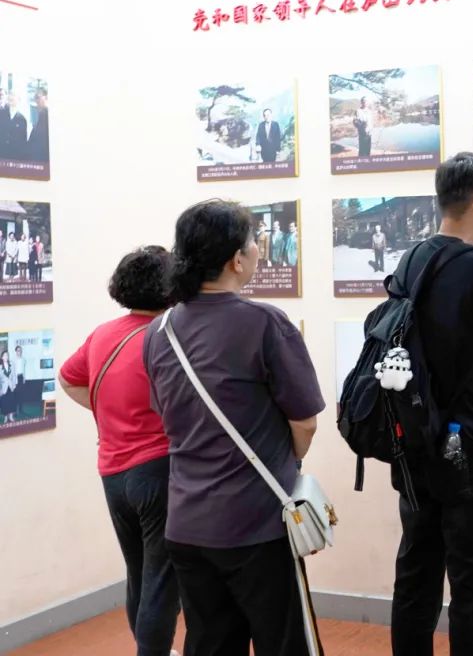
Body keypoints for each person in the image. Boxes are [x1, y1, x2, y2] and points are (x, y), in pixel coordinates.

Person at [142, 200, 326, 655]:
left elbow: (166, 414)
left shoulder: (160, 331)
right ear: (236, 260)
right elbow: (304, 422)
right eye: (252, 242)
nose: (258, 249)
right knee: (283, 644)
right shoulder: (264, 323)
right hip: (256, 524)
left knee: (209, 644)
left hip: (186, 523)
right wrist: (287, 460)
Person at [389, 152, 473, 655]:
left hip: (416, 446)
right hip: (470, 450)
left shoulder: (411, 259)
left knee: (415, 584)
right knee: (472, 599)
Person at [58, 246, 182, 656]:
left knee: (139, 573)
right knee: (161, 579)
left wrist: (109, 412)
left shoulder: (103, 334)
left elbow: (69, 379)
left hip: (113, 473)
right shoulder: (166, 336)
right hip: (158, 470)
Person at [26, 87, 49, 162]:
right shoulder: (40, 115)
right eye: (35, 98)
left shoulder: (48, 116)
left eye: (38, 97)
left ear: (46, 97)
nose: (36, 101)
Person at [5, 91, 28, 161]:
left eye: (13, 95)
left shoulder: (22, 119)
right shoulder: (1, 114)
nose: (11, 97)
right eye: (10, 94)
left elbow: (22, 141)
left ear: (19, 99)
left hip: (14, 157)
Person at [0, 350, 16, 423]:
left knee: (11, 402)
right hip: (4, 388)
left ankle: (11, 417)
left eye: (7, 355)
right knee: (5, 403)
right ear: (2, 357)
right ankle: (6, 417)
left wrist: (14, 385)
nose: (6, 357)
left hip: (11, 386)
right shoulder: (0, 367)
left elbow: (14, 375)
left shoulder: (11, 365)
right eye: (4, 355)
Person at [0, 88, 11, 157]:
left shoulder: (9, 108)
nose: (0, 97)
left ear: (6, 96)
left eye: (2, 95)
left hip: (6, 142)